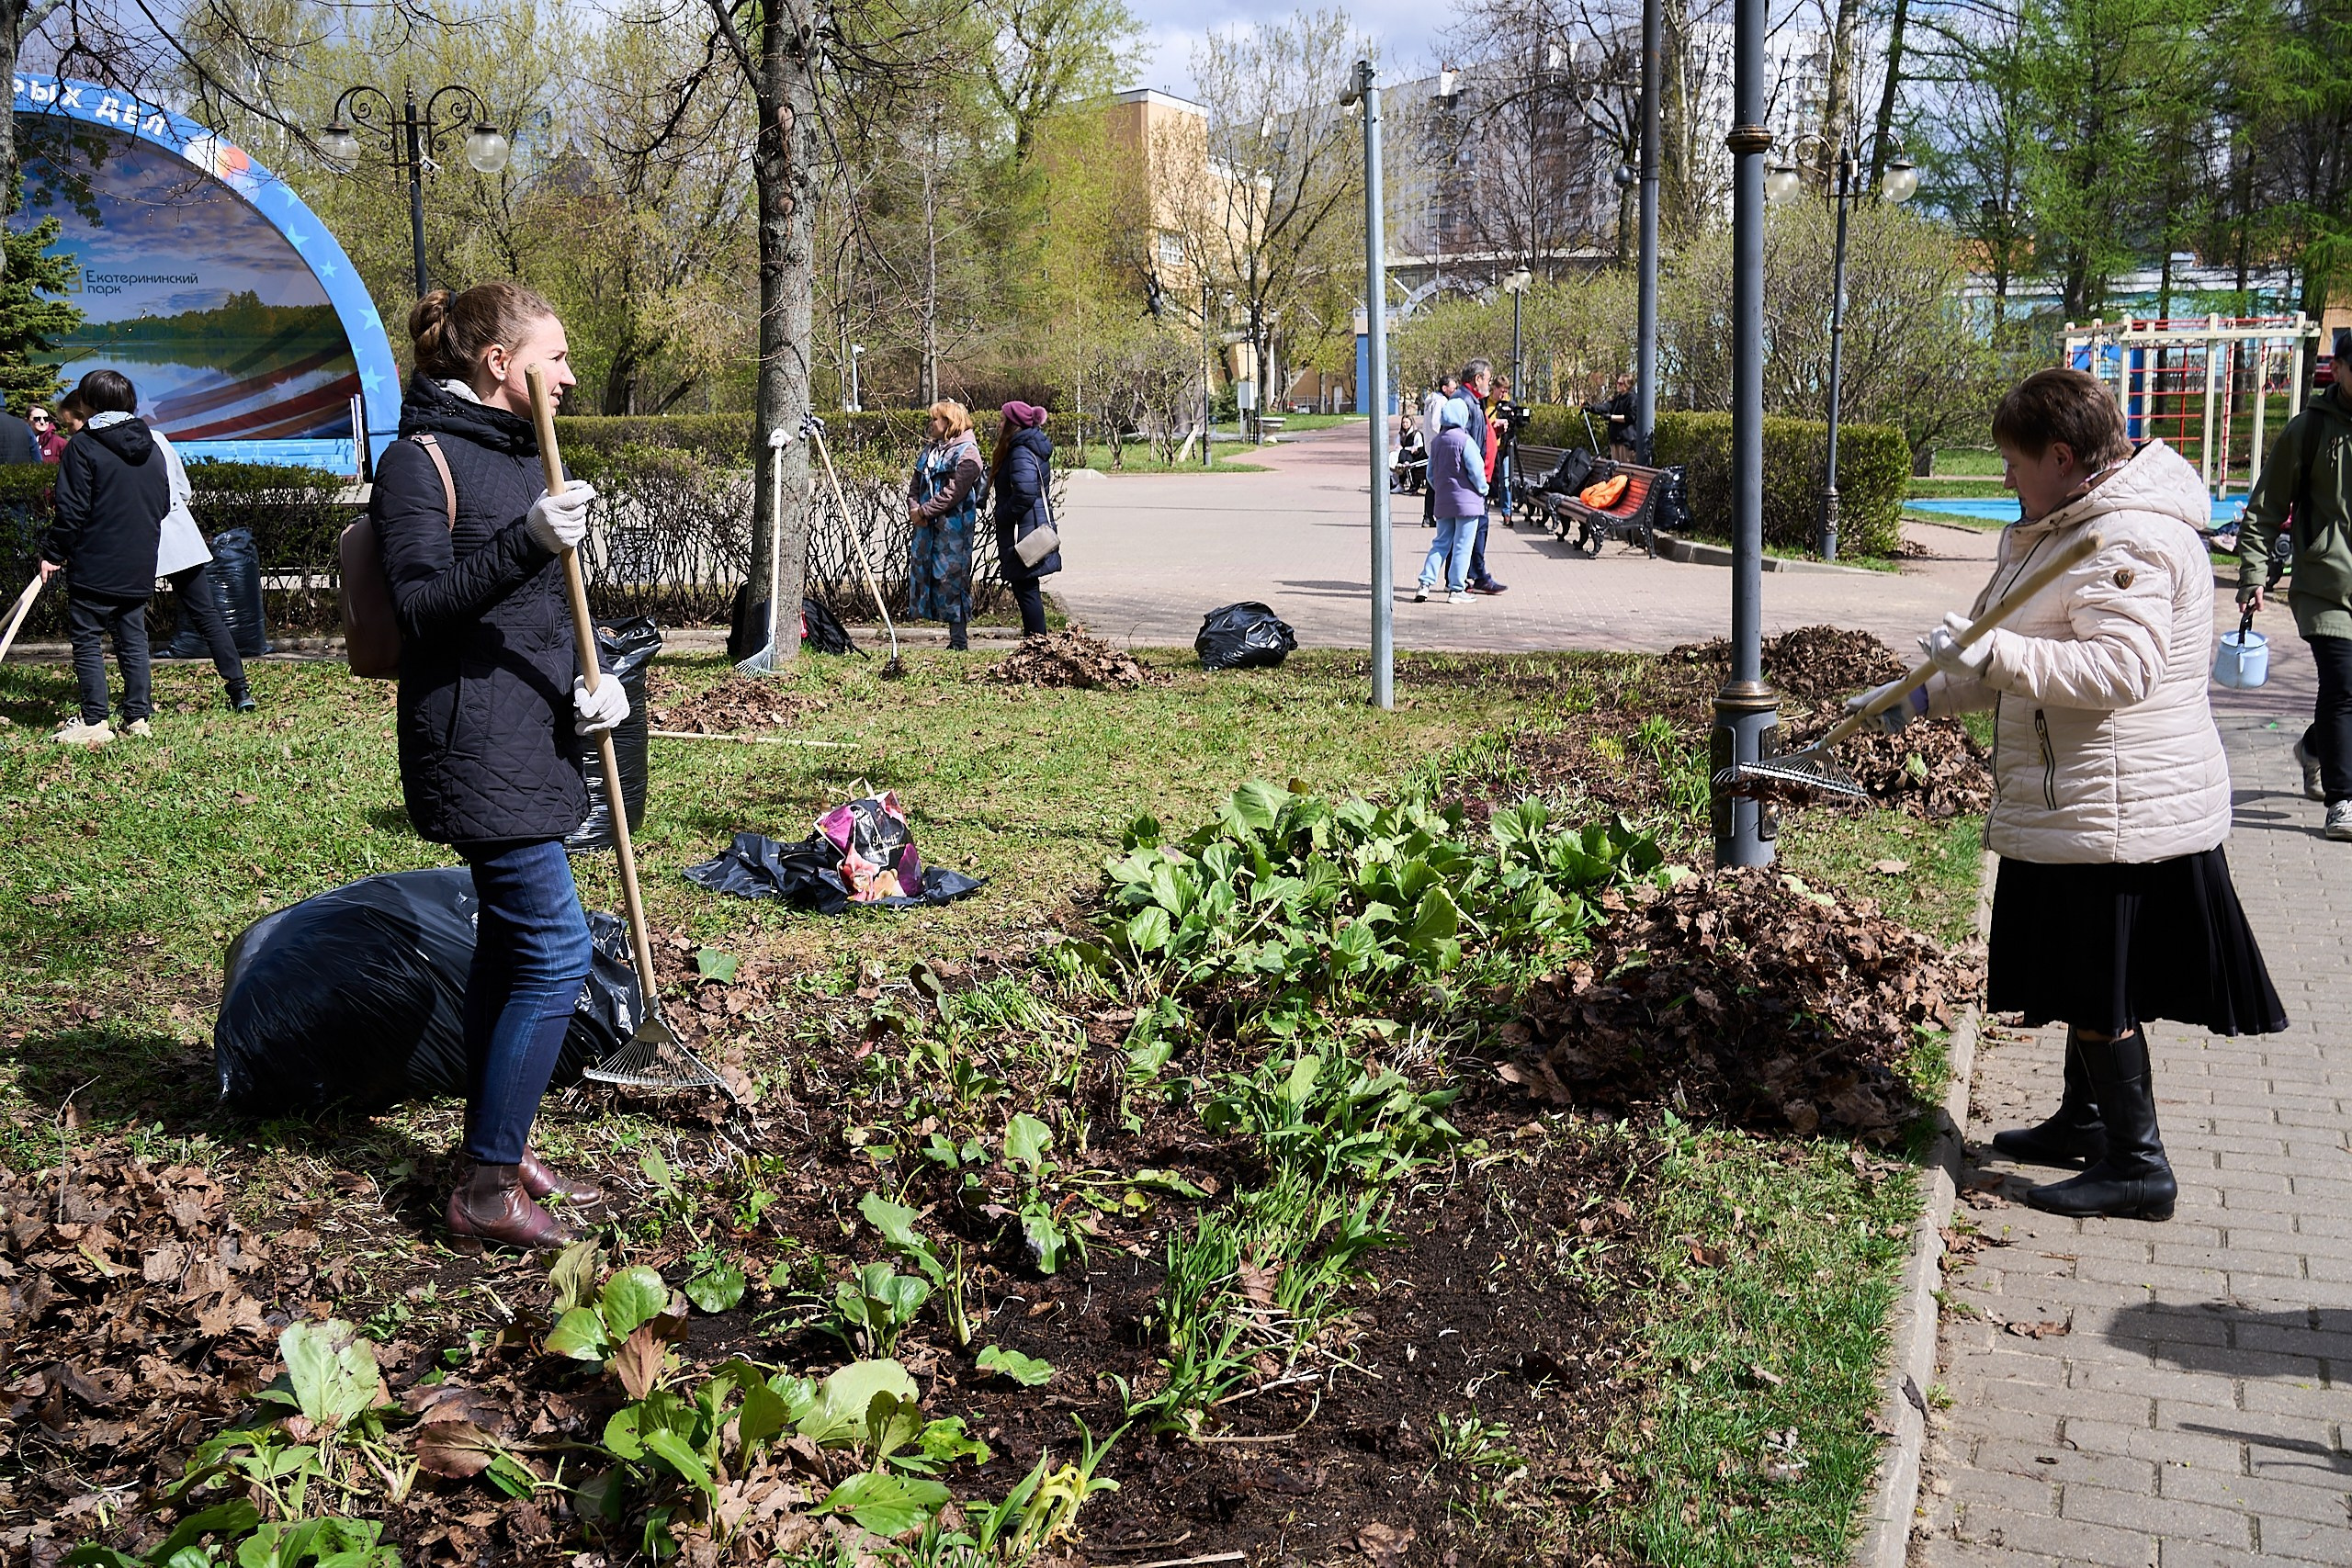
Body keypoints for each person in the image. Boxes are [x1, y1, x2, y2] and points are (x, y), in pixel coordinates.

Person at [1858, 367, 2284, 1221]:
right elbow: (2013, 652)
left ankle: (2137, 1166)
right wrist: (1918, 697)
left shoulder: (2123, 538)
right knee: (2090, 979)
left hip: (2117, 807)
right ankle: (2083, 1121)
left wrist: (1995, 661)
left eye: (2014, 461)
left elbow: (2121, 670)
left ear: (2060, 456)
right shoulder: (2064, 525)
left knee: (2100, 985)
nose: (2006, 478)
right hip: (2085, 797)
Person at [372, 281, 622, 1249]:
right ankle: (482, 1189)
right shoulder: (416, 462)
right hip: (473, 743)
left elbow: (540, 618)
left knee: (517, 954)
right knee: (556, 953)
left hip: (533, 734)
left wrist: (596, 694)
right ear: (497, 363)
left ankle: (496, 1141)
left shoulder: (527, 459)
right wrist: (526, 541)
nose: (567, 377)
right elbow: (424, 607)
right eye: (552, 360)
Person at [2236, 327, 2352, 839]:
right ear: (2341, 370)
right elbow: (2264, 509)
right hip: (2325, 584)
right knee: (2344, 688)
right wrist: (2254, 573)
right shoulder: (2310, 430)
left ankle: (2313, 747)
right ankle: (2344, 800)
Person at [39, 370, 168, 748]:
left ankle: (95, 720)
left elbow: (72, 510)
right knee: (133, 638)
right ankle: (137, 717)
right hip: (140, 560)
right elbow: (162, 505)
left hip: (95, 561)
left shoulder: (83, 446)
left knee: (87, 639)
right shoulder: (153, 446)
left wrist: (53, 553)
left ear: (89, 403)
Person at [152, 423, 255, 712]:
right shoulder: (158, 438)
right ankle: (239, 688)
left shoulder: (92, 443)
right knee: (207, 615)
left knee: (128, 620)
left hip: (135, 541)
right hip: (179, 535)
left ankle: (136, 701)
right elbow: (184, 490)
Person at [907, 400, 985, 650]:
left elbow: (954, 493)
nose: (931, 424)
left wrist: (924, 512)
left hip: (954, 530)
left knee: (952, 579)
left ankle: (958, 640)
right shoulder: (931, 450)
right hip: (926, 527)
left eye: (935, 419)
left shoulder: (968, 453)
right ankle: (948, 633)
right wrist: (914, 509)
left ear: (949, 423)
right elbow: (915, 485)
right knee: (928, 574)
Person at [990, 400, 1059, 637]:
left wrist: (1002, 515)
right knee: (1026, 588)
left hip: (1024, 532)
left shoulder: (1020, 450)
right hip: (1027, 527)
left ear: (1013, 424)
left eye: (1002, 420)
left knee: (1026, 589)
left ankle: (1037, 643)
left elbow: (1025, 492)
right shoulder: (1026, 446)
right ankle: (1036, 642)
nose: (999, 424)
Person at [1414, 397, 1487, 604]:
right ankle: (1456, 589)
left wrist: (1442, 489)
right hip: (1468, 502)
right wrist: (1483, 490)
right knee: (1463, 545)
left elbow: (1430, 475)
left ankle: (1425, 583)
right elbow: (1476, 472)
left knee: (1441, 543)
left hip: (1443, 501)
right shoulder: (1465, 441)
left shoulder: (1436, 442)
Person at [1458, 358, 1509, 595]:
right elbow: (1466, 443)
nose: (1489, 383)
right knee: (1475, 528)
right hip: (1475, 480)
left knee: (1477, 528)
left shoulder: (1473, 401)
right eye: (1488, 379)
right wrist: (1477, 479)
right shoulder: (1466, 402)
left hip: (1481, 478)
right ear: (1478, 379)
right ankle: (1473, 576)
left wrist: (1492, 429)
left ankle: (1469, 575)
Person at [1419, 376, 1458, 525]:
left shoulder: (1431, 401)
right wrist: (1444, 436)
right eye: (1453, 388)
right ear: (1444, 388)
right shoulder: (1440, 402)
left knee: (1432, 483)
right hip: (1438, 447)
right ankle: (1431, 516)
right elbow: (1435, 423)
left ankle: (1429, 516)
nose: (1454, 391)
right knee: (1435, 484)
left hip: (1431, 445)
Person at [1586, 372, 1637, 462]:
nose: (1618, 385)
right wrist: (1591, 408)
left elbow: (1630, 418)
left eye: (1620, 384)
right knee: (1616, 471)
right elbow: (1607, 406)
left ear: (1627, 385)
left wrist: (1611, 417)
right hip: (1615, 441)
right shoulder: (1618, 399)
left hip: (1626, 443)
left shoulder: (1633, 399)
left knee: (1625, 470)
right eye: (1617, 383)